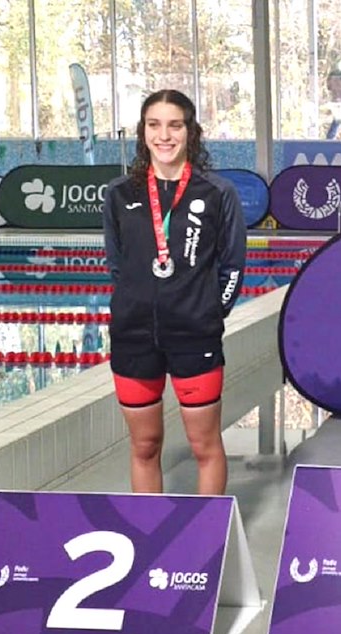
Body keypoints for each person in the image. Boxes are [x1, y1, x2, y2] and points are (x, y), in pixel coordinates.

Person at [101, 89, 247, 495]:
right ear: (143, 132)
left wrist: (206, 314)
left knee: (204, 445)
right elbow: (118, 266)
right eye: (154, 125)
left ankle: (207, 531)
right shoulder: (120, 194)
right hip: (133, 337)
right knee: (144, 446)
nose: (164, 135)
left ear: (190, 131)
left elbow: (233, 266)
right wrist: (134, 305)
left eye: (174, 125)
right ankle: (148, 531)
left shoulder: (216, 193)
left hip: (194, 336)